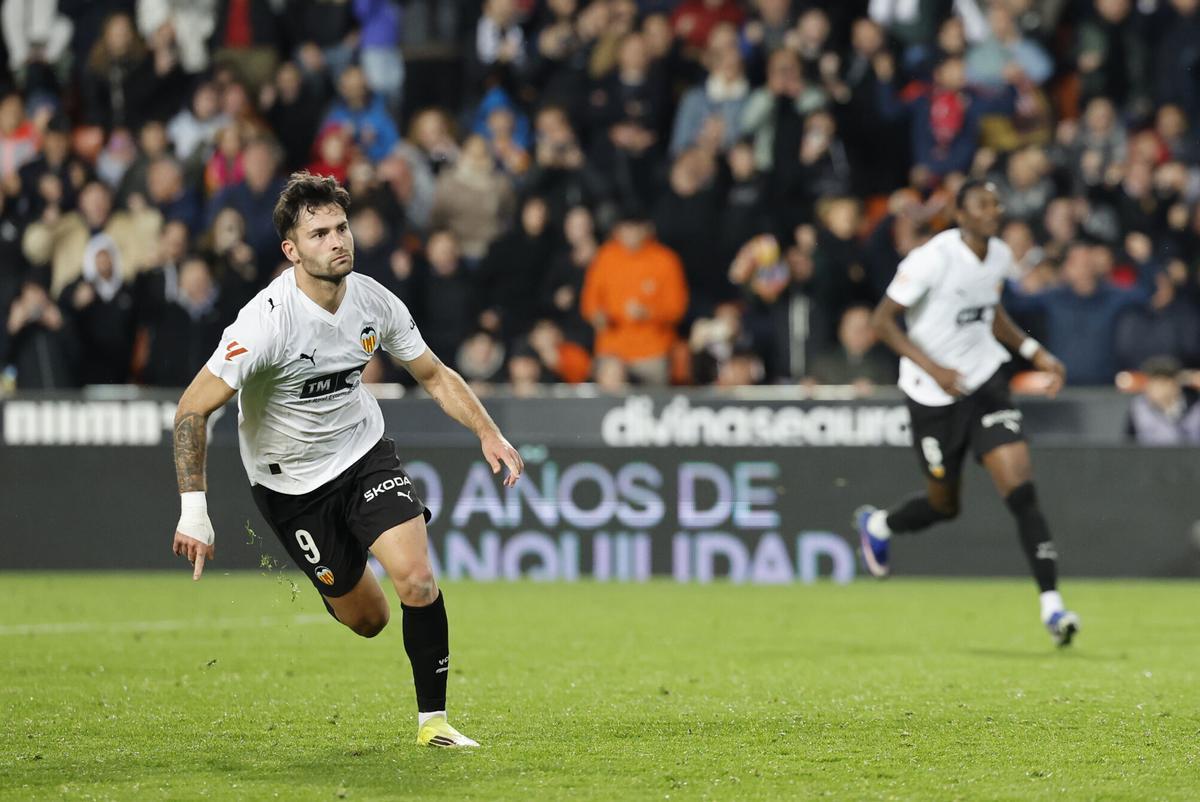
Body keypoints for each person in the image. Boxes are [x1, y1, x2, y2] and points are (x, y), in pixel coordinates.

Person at [169, 172, 524, 748]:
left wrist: (488, 432)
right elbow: (191, 410)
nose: (338, 241)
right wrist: (193, 509)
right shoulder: (266, 322)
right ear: (292, 250)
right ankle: (343, 563)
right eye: (319, 234)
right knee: (370, 621)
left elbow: (432, 373)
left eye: (341, 227)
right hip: (290, 487)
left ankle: (432, 723)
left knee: (416, 579)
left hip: (362, 455)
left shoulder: (372, 299)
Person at [854, 180, 1081, 647]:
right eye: (982, 204)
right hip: (932, 396)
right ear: (959, 214)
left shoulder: (998, 254)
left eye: (996, 203)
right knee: (944, 505)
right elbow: (880, 321)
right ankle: (877, 525)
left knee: (1021, 491)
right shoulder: (930, 260)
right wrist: (933, 369)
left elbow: (991, 313)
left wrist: (1035, 352)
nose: (993, 211)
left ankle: (1053, 607)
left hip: (984, 383)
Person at [1125, 356, 1200, 445]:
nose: (1155, 389)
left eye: (1162, 383)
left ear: (1175, 384)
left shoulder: (1195, 408)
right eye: (1151, 383)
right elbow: (1127, 442)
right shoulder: (1138, 408)